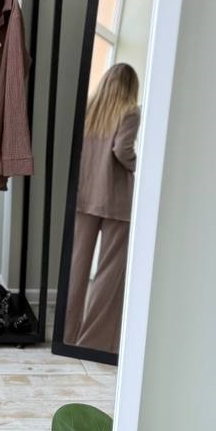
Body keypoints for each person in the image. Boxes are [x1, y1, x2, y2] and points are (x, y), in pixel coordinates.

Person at [64, 62, 140, 353]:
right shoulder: (130, 111)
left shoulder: (90, 107)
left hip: (84, 195)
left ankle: (67, 335)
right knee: (109, 272)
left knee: (76, 268)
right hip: (116, 200)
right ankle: (95, 341)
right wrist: (138, 166)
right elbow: (123, 150)